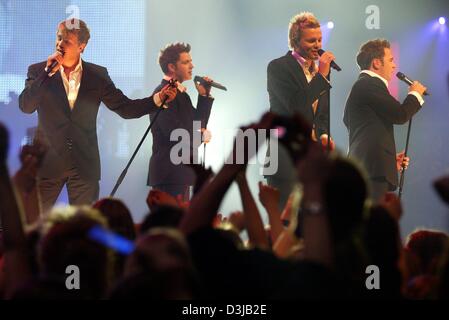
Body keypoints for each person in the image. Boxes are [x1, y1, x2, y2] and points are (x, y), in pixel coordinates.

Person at [18, 19, 177, 213]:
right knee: (34, 223)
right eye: (59, 38)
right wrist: (46, 74)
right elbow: (26, 106)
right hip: (48, 163)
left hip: (84, 166)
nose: (60, 44)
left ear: (82, 46)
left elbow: (125, 108)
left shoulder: (97, 75)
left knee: (84, 227)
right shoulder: (38, 71)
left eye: (67, 41)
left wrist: (158, 98)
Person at [264, 11, 336, 211]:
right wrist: (322, 77)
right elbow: (296, 106)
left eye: (320, 39)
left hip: (313, 162)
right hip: (284, 158)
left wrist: (323, 135)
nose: (318, 45)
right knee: (283, 223)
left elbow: (321, 114)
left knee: (311, 225)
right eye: (311, 40)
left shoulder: (320, 72)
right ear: (295, 42)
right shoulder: (278, 67)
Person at [343, 39, 427, 201]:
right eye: (390, 60)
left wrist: (387, 159)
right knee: (370, 222)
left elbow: (355, 123)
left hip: (367, 168)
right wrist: (415, 93)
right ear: (376, 63)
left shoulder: (363, 86)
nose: (394, 66)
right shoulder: (369, 84)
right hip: (370, 170)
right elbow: (400, 114)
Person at [147, 43, 214, 200]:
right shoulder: (162, 93)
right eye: (186, 62)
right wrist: (201, 137)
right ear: (172, 67)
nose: (192, 65)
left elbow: (197, 124)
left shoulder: (182, 95)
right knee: (172, 222)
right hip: (169, 173)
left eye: (191, 61)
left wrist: (204, 96)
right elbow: (175, 134)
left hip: (181, 172)